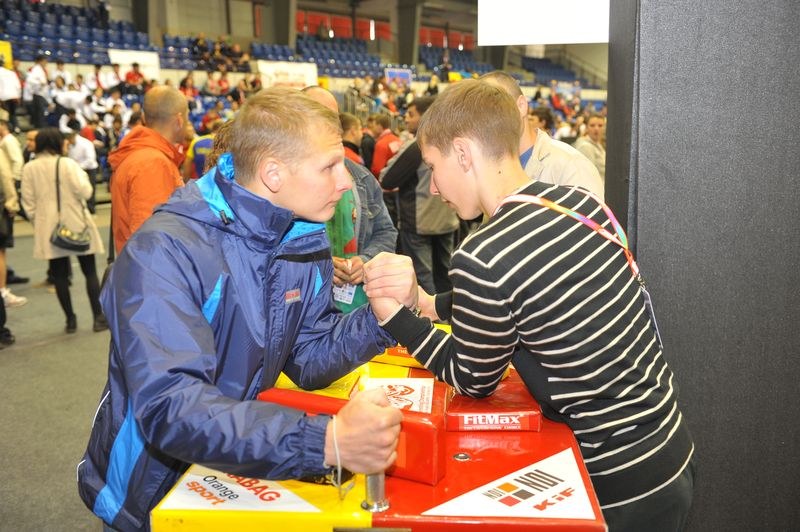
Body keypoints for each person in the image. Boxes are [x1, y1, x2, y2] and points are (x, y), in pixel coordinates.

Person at [363, 79, 695, 532]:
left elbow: (471, 378)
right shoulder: (578, 205)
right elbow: (531, 293)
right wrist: (429, 303)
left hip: (617, 482)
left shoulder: (484, 254)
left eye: (434, 167)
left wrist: (397, 318)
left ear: (463, 153)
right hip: (669, 447)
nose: (435, 187)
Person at [77, 86, 406, 532]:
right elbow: (172, 408)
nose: (347, 181)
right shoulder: (164, 250)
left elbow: (308, 358)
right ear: (273, 173)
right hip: (151, 494)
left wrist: (381, 317)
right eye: (330, 166)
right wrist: (323, 442)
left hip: (241, 471)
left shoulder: (300, 237)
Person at [20, 128, 107, 333]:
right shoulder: (68, 164)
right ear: (57, 143)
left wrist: (40, 221)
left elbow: (28, 203)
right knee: (89, 271)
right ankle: (98, 317)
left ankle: (70, 321)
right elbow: (86, 191)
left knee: (59, 275)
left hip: (48, 228)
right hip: (76, 222)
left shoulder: (29, 168)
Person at [480, 71, 604, 199]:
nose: (488, 119)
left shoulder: (572, 166)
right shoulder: (487, 170)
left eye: (495, 108)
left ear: (521, 106)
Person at [380, 96, 458, 293]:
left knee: (423, 278)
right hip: (447, 219)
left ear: (426, 116)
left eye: (411, 114)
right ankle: (446, 310)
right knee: (445, 274)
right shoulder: (453, 140)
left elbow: (387, 179)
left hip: (419, 221)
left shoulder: (417, 146)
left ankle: (430, 312)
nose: (406, 118)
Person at [108, 85, 187, 253]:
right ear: (179, 121)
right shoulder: (152, 163)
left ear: (143, 117)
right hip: (153, 267)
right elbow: (151, 243)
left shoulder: (142, 156)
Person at [0, 114, 27, 308]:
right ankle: (2, 291)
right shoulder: (5, 142)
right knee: (0, 250)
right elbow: (5, 174)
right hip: (3, 197)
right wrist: (11, 200)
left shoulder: (8, 141)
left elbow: (14, 166)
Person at [66, 128, 99, 213]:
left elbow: (90, 159)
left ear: (73, 137)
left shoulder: (85, 143)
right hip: (76, 169)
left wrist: (78, 167)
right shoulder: (69, 145)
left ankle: (91, 209)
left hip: (89, 169)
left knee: (90, 189)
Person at [573, 113, 606, 182]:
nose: (596, 128)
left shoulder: (598, 144)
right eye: (592, 125)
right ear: (586, 128)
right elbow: (588, 177)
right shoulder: (585, 146)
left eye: (600, 125)